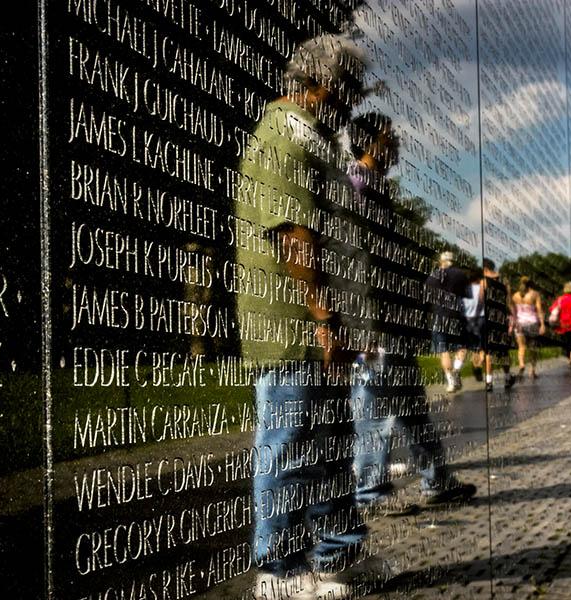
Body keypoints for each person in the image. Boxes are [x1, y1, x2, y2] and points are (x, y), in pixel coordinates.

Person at [235, 34, 369, 599]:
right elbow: (295, 237)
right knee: (288, 444)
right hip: (294, 327)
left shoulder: (308, 136)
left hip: (316, 329)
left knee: (328, 444)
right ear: (325, 83)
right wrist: (324, 317)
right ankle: (281, 574)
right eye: (350, 89)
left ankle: (334, 557)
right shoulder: (284, 136)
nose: (353, 102)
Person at [346, 112, 477, 520]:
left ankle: (436, 479)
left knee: (409, 405)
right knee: (374, 410)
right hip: (376, 323)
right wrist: (365, 321)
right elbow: (355, 257)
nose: (397, 143)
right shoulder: (358, 183)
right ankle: (369, 492)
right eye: (390, 137)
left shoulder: (375, 186)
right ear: (370, 143)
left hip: (391, 319)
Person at [427, 251, 471, 393]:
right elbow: (468, 295)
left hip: (439, 314)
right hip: (456, 314)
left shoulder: (433, 275)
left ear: (441, 261)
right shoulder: (460, 274)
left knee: (443, 350)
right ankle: (457, 370)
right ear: (453, 260)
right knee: (461, 346)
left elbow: (428, 296)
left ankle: (451, 382)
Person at [481, 259, 516, 391]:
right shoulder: (504, 281)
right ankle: (507, 378)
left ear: (484, 269)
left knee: (489, 351)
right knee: (503, 351)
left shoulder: (483, 282)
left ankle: (489, 382)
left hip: (488, 318)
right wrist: (513, 319)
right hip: (501, 319)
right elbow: (509, 302)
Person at [511, 276, 545, 378]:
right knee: (533, 348)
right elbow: (539, 310)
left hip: (519, 324)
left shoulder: (515, 295)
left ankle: (521, 364)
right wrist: (542, 324)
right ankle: (532, 371)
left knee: (521, 347)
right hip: (532, 324)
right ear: (531, 283)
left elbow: (513, 312)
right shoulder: (535, 294)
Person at [550, 281, 571, 370]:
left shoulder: (560, 299)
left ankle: (569, 359)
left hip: (563, 324)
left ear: (564, 290)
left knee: (565, 343)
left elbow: (552, 309)